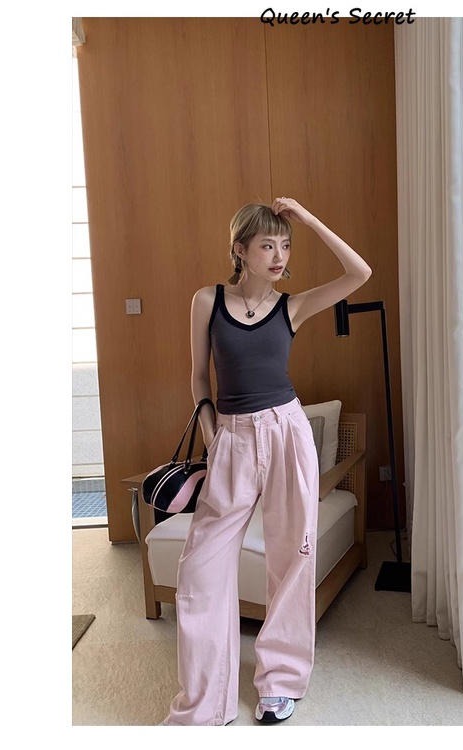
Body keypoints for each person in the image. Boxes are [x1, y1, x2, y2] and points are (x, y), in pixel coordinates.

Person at [161, 197, 372, 726]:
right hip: (231, 438)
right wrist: (213, 434)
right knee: (200, 569)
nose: (279, 256)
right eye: (267, 245)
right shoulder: (207, 301)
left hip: (286, 433)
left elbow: (359, 273)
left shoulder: (291, 307)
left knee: (291, 559)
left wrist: (310, 218)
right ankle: (205, 703)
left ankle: (280, 682)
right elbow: (198, 377)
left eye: (285, 245)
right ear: (240, 250)